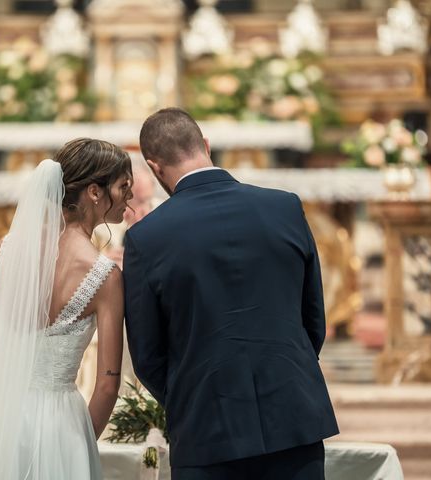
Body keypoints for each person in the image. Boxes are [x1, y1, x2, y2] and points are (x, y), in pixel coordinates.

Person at [123, 108, 339, 480]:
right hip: (293, 415)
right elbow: (313, 317)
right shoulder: (284, 207)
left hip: (206, 428)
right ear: (206, 145)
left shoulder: (147, 237)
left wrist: (191, 396)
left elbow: (147, 354)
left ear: (154, 168)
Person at [0, 138, 133, 480]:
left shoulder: (8, 248)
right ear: (94, 192)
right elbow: (107, 385)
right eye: (124, 186)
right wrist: (75, 446)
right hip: (60, 421)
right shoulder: (105, 276)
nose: (130, 198)